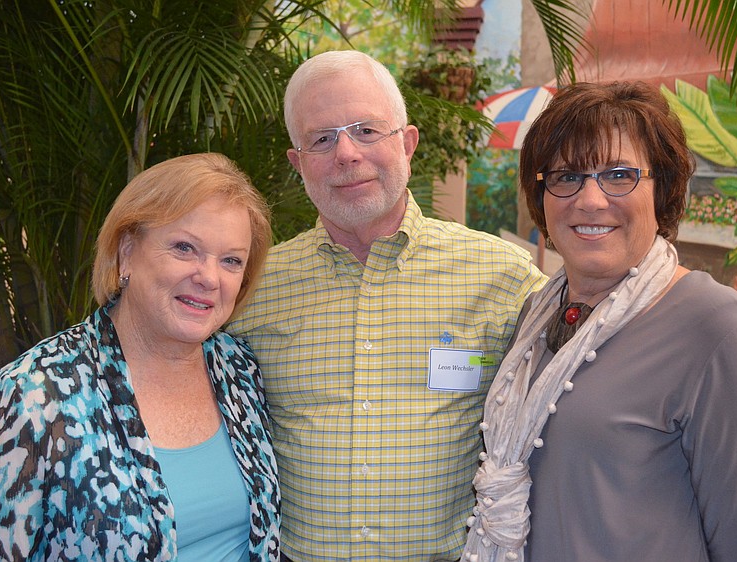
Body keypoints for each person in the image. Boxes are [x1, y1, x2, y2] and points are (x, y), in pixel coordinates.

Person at [225, 50, 546, 562]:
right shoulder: (251, 288)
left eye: (366, 130)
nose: (346, 153)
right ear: (298, 163)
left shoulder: (503, 278)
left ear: (408, 143)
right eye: (322, 139)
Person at [462, 81, 737, 562]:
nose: (590, 199)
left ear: (662, 188)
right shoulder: (537, 315)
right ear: (541, 194)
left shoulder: (716, 328)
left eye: (619, 175)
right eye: (567, 176)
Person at [0, 153, 281, 561]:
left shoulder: (239, 368)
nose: (209, 277)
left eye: (231, 260)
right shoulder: (34, 395)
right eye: (184, 248)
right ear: (126, 251)